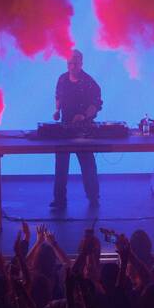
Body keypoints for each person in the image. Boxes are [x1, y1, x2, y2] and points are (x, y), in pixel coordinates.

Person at [50, 49, 102, 208]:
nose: (72, 67)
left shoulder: (89, 82)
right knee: (61, 165)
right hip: (65, 127)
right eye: (69, 64)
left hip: (83, 130)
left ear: (81, 63)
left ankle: (93, 197)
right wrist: (57, 110)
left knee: (87, 165)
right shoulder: (62, 79)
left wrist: (84, 116)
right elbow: (58, 96)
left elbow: (96, 104)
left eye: (75, 64)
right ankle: (59, 199)